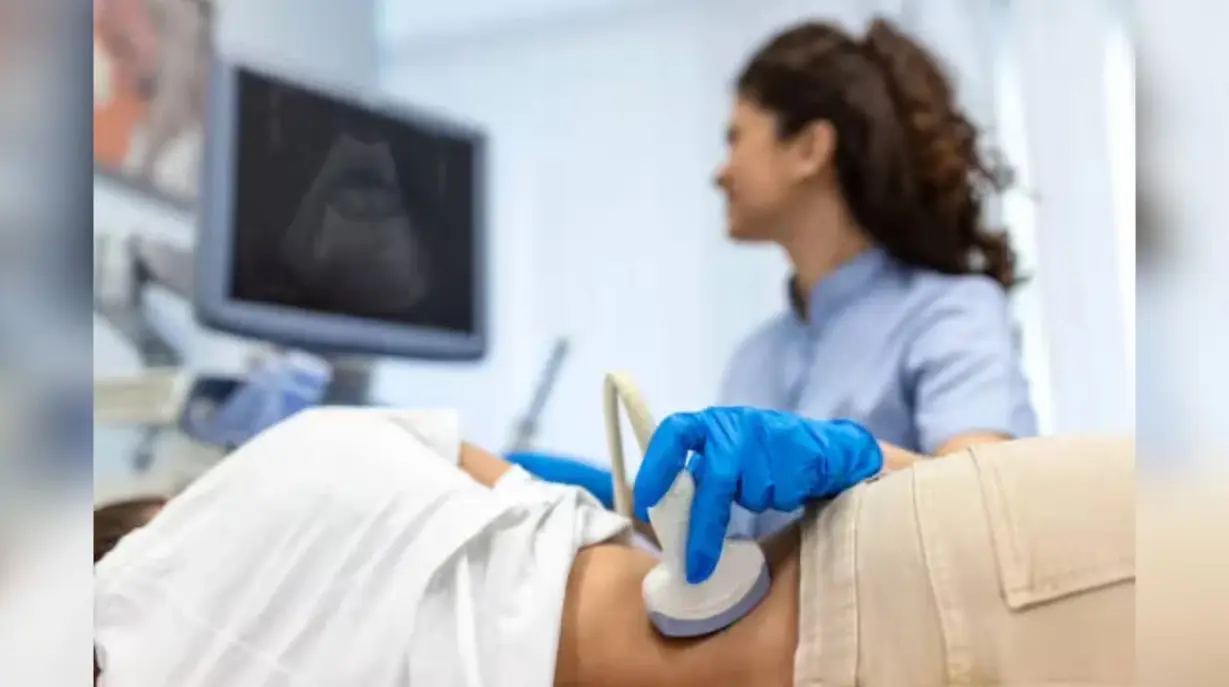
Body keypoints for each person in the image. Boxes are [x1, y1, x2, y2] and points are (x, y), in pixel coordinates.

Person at [95, 407, 1133, 686]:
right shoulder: (314, 449)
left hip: (912, 594)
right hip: (917, 560)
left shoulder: (179, 567)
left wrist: (865, 460)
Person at [715, 18, 1037, 539]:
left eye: (735, 139)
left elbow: (984, 505)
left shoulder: (950, 312)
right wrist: (622, 505)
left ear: (809, 148)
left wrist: (856, 461)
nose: (719, 172)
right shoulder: (752, 361)